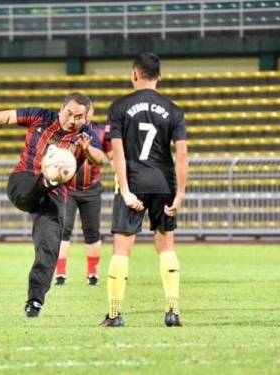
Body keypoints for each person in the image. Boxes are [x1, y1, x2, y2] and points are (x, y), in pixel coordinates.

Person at [0, 93, 106, 318]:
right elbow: (7, 116)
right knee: (30, 191)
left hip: (54, 193)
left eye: (78, 117)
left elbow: (99, 158)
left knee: (48, 247)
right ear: (61, 108)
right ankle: (47, 178)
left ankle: (35, 301)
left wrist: (87, 150)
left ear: (85, 118)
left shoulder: (86, 135)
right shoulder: (41, 117)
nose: (72, 120)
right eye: (69, 113)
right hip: (25, 179)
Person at [100, 52, 188, 327]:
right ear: (159, 77)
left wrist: (125, 190)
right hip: (164, 185)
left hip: (133, 184)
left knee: (122, 250)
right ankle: (172, 311)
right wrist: (180, 194)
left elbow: (117, 151)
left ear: (134, 74)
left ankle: (115, 314)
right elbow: (182, 155)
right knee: (166, 247)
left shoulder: (119, 107)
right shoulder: (174, 110)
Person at [55, 107, 113, 286]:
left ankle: (92, 273)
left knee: (92, 232)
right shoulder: (63, 131)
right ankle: (60, 274)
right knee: (64, 230)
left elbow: (109, 158)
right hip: (68, 188)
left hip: (92, 189)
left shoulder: (102, 131)